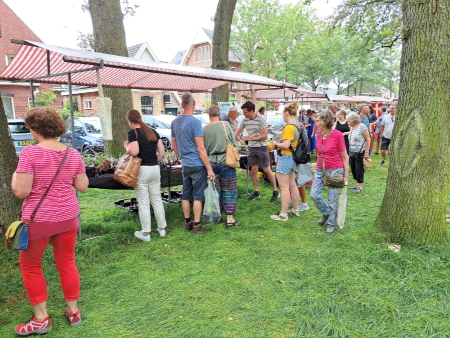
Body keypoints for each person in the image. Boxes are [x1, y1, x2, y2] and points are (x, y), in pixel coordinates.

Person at [11, 107, 89, 335]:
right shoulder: (72, 153)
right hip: (68, 218)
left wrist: (15, 176)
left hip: (40, 220)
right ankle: (73, 311)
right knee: (66, 261)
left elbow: (21, 192)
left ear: (35, 129)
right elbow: (82, 187)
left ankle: (41, 319)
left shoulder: (30, 154)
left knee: (31, 266)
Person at [171, 93, 215, 233]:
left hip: (185, 164)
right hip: (197, 163)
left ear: (182, 105)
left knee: (186, 193)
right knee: (197, 195)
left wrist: (181, 156)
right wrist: (209, 169)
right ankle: (197, 225)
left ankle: (187, 222)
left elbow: (173, 146)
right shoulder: (195, 122)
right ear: (194, 103)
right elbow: (200, 148)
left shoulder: (175, 122)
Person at [124, 109, 167, 242]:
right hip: (154, 168)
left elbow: (134, 151)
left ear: (130, 121)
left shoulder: (133, 133)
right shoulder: (152, 131)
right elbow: (162, 152)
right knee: (157, 200)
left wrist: (126, 146)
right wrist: (155, 161)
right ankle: (162, 229)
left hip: (142, 169)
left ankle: (146, 233)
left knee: (143, 202)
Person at [310, 110, 349, 233]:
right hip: (321, 169)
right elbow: (319, 153)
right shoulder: (320, 135)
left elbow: (345, 157)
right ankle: (326, 213)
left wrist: (346, 176)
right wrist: (316, 168)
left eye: (318, 120)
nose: (316, 123)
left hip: (335, 169)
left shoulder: (337, 135)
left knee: (332, 198)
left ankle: (332, 223)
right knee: (314, 194)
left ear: (325, 121)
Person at [234, 101, 279, 202]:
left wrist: (251, 138)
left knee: (267, 169)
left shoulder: (261, 119)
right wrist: (228, 138)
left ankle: (275, 191)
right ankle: (256, 191)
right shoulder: (245, 120)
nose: (243, 114)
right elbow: (237, 132)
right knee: (253, 170)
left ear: (251, 111)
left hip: (262, 147)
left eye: (245, 112)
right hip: (251, 148)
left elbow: (265, 136)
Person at [203, 105, 240, 227]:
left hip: (211, 163)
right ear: (219, 114)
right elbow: (233, 143)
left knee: (216, 190)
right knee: (230, 190)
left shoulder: (205, 129)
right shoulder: (225, 125)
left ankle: (218, 215)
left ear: (209, 114)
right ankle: (230, 218)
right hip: (226, 161)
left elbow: (203, 148)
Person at [270, 101, 304, 220]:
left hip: (286, 157)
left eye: (283, 114)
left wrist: (275, 144)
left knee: (284, 187)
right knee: (292, 185)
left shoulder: (289, 127)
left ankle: (283, 214)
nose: (283, 116)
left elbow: (285, 145)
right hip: (294, 158)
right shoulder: (298, 125)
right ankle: (295, 209)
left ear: (287, 113)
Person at [346, 113, 371, 193]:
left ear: (353, 120)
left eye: (348, 121)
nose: (348, 123)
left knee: (359, 169)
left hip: (360, 151)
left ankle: (360, 187)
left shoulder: (362, 126)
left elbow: (368, 139)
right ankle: (356, 185)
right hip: (352, 151)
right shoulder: (352, 128)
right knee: (353, 168)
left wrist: (366, 152)